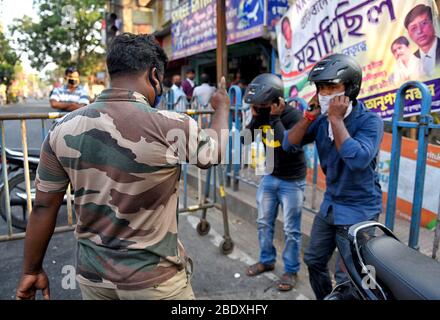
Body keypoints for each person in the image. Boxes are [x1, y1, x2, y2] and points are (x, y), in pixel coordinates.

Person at [15, 32, 230, 300]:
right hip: (156, 283)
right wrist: (222, 108)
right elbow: (216, 151)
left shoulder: (62, 129)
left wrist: (31, 270)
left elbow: (45, 206)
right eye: (159, 82)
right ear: (154, 76)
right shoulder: (172, 125)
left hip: (94, 281)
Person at [282, 53, 384, 300]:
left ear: (350, 89)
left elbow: (358, 159)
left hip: (359, 209)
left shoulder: (370, 121)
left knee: (349, 276)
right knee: (314, 259)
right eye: (321, 88)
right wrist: (309, 118)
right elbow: (289, 144)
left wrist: (336, 119)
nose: (324, 94)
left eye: (332, 87)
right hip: (331, 205)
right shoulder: (320, 121)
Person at [243, 73, 307, 292]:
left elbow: (288, 145)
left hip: (292, 181)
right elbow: (246, 140)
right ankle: (267, 260)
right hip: (269, 176)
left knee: (291, 230)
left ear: (276, 100)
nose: (259, 107)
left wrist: (275, 118)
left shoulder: (293, 116)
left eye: (263, 104)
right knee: (263, 222)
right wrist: (255, 118)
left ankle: (290, 270)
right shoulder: (261, 115)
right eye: (257, 105)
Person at [404, 4, 440, 77]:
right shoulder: (412, 60)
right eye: (413, 28)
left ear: (433, 23)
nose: (419, 31)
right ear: (409, 34)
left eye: (424, 23)